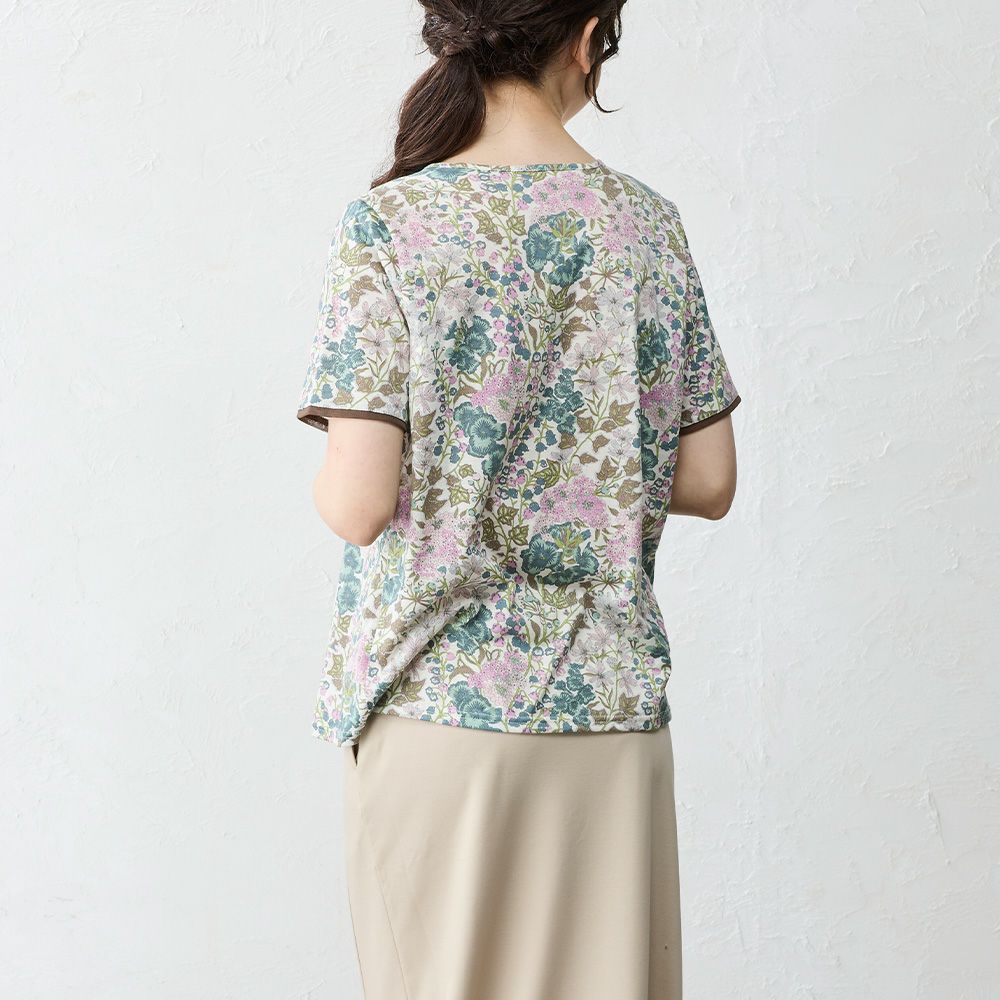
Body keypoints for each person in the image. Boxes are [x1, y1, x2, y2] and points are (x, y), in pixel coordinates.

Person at [295, 3, 741, 997]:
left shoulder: (391, 223)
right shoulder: (645, 224)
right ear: (587, 36)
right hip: (611, 711)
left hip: (438, 709)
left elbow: (359, 504)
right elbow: (709, 477)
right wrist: (587, 471)